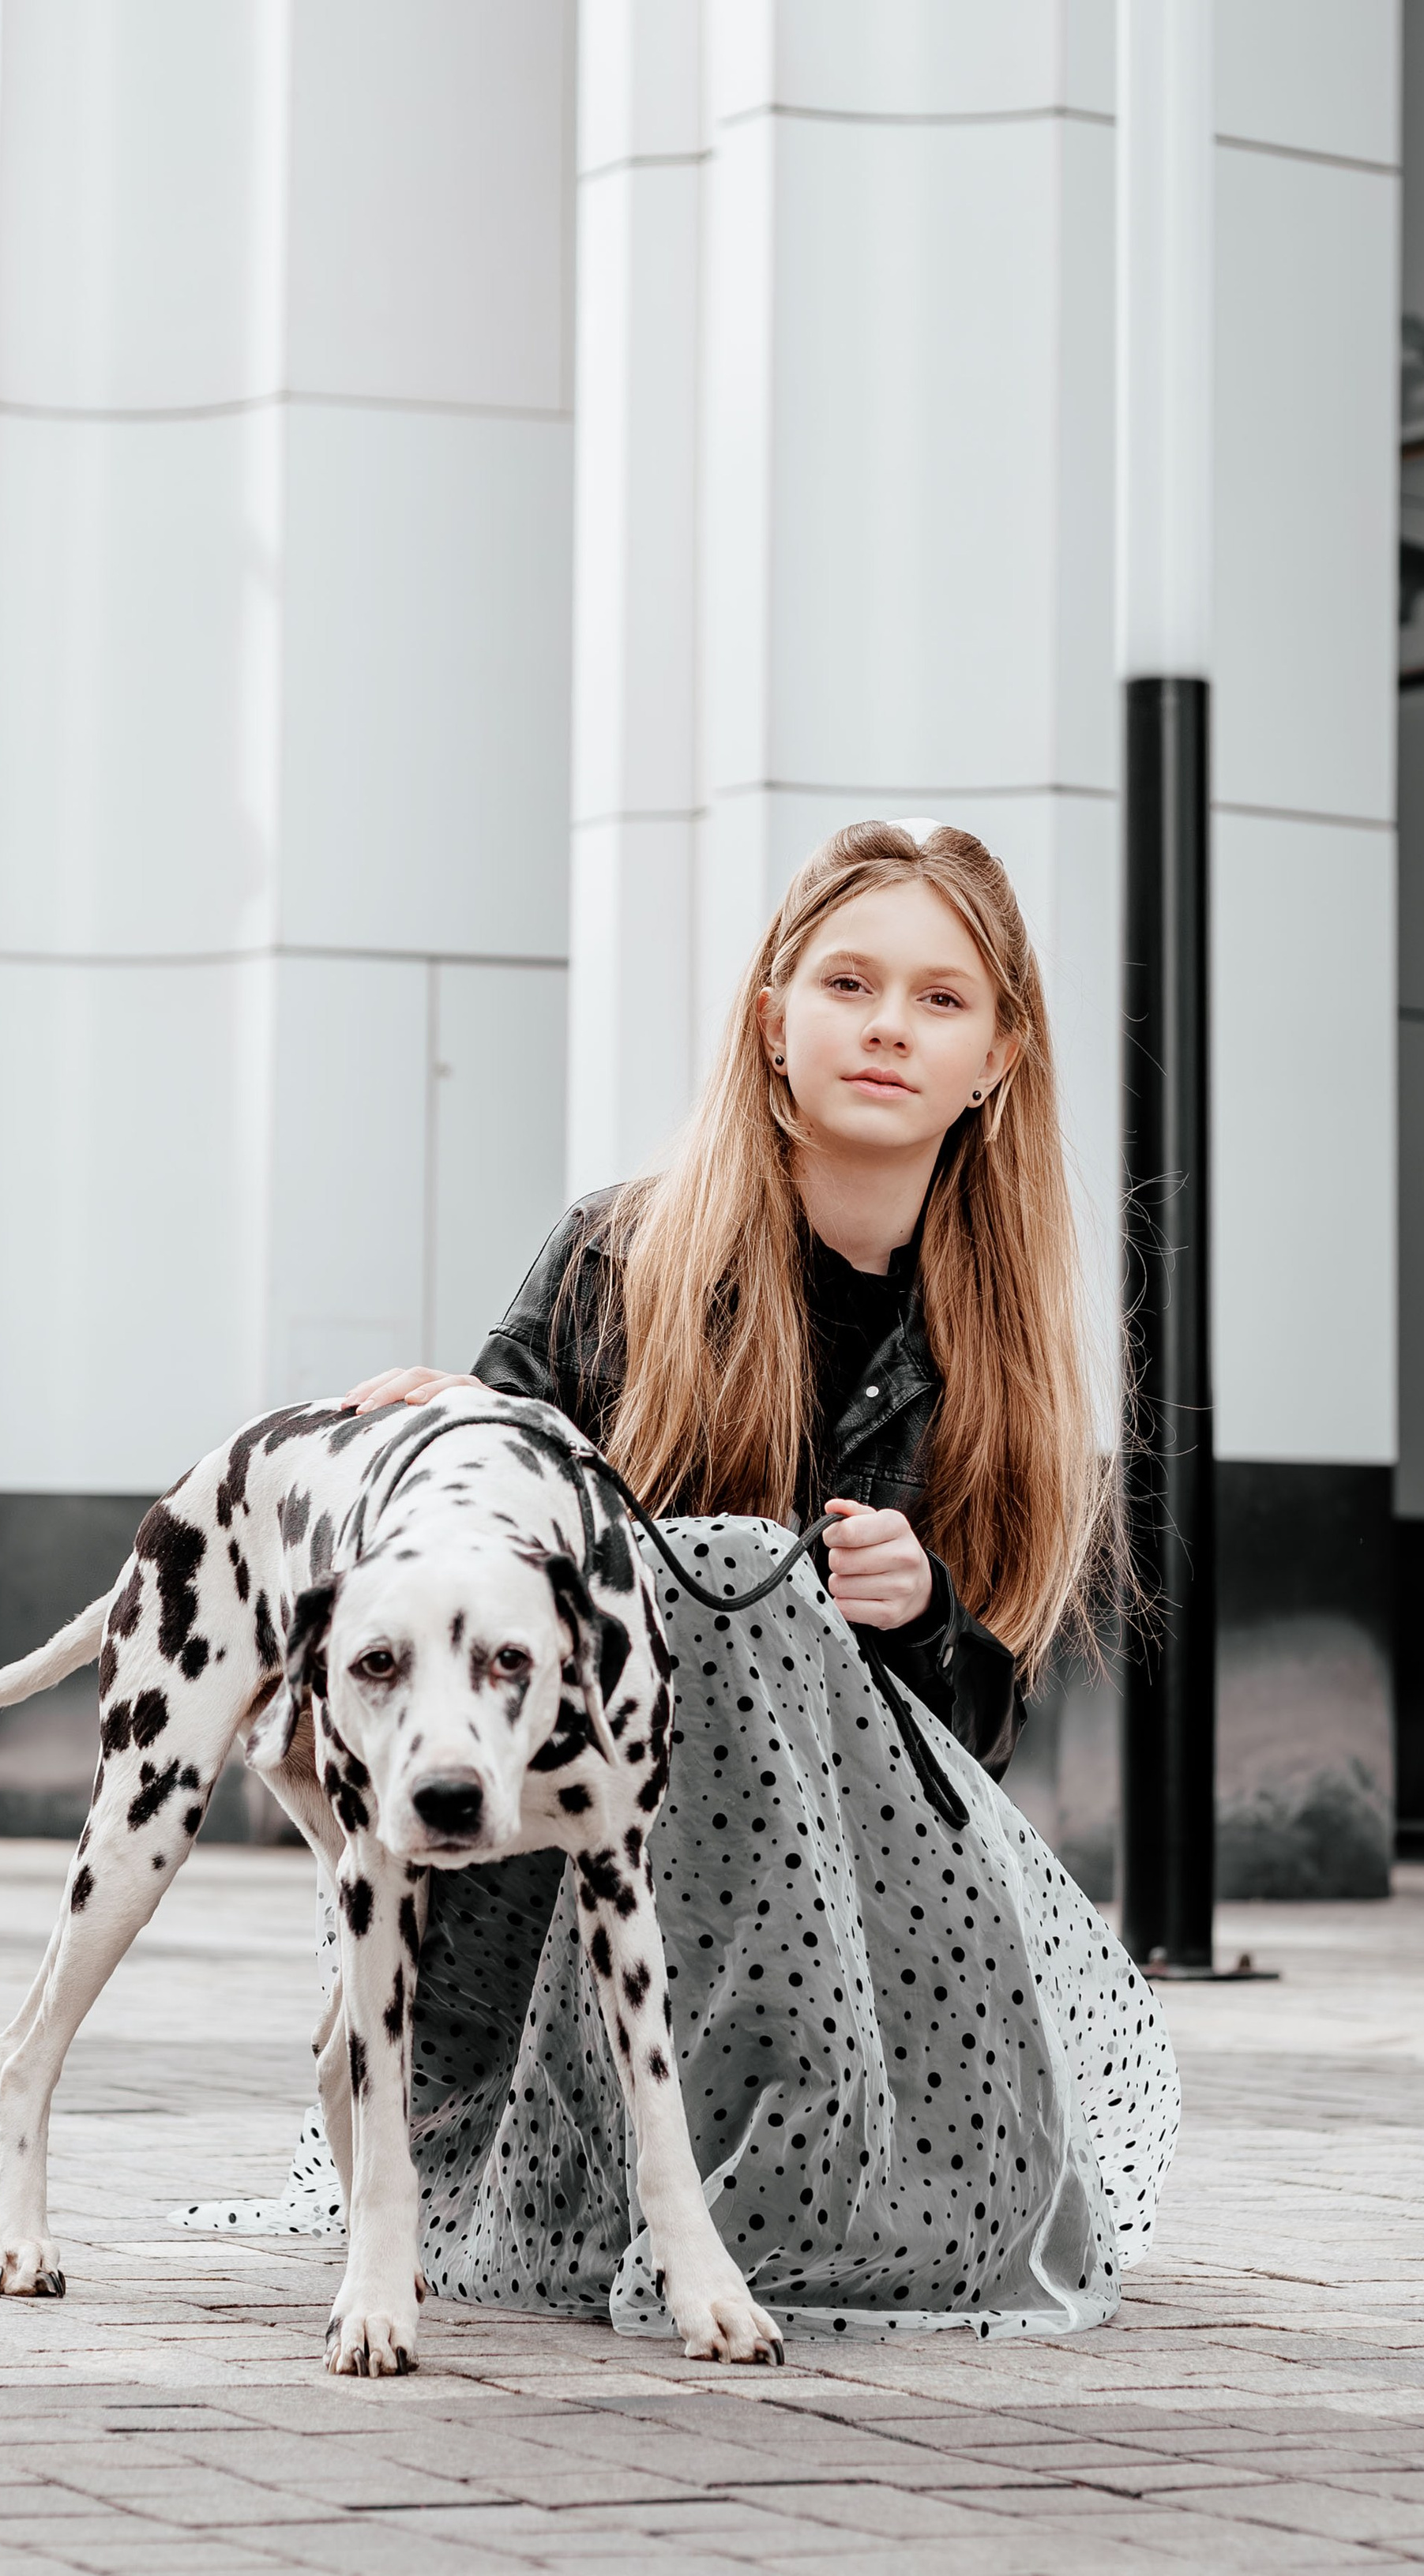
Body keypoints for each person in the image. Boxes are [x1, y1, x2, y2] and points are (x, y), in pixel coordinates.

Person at [214, 820, 1178, 2340]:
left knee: (749, 1598)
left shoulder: (1004, 1352)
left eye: (941, 999)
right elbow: (459, 1593)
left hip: (854, 1909)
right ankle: (624, 2168)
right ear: (773, 1021)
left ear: (997, 1061)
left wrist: (927, 1615)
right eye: (849, 983)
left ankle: (798, 2155)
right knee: (724, 1575)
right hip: (562, 1893)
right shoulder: (617, 1259)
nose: (888, 1026)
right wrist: (465, 1430)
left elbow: (976, 1764)